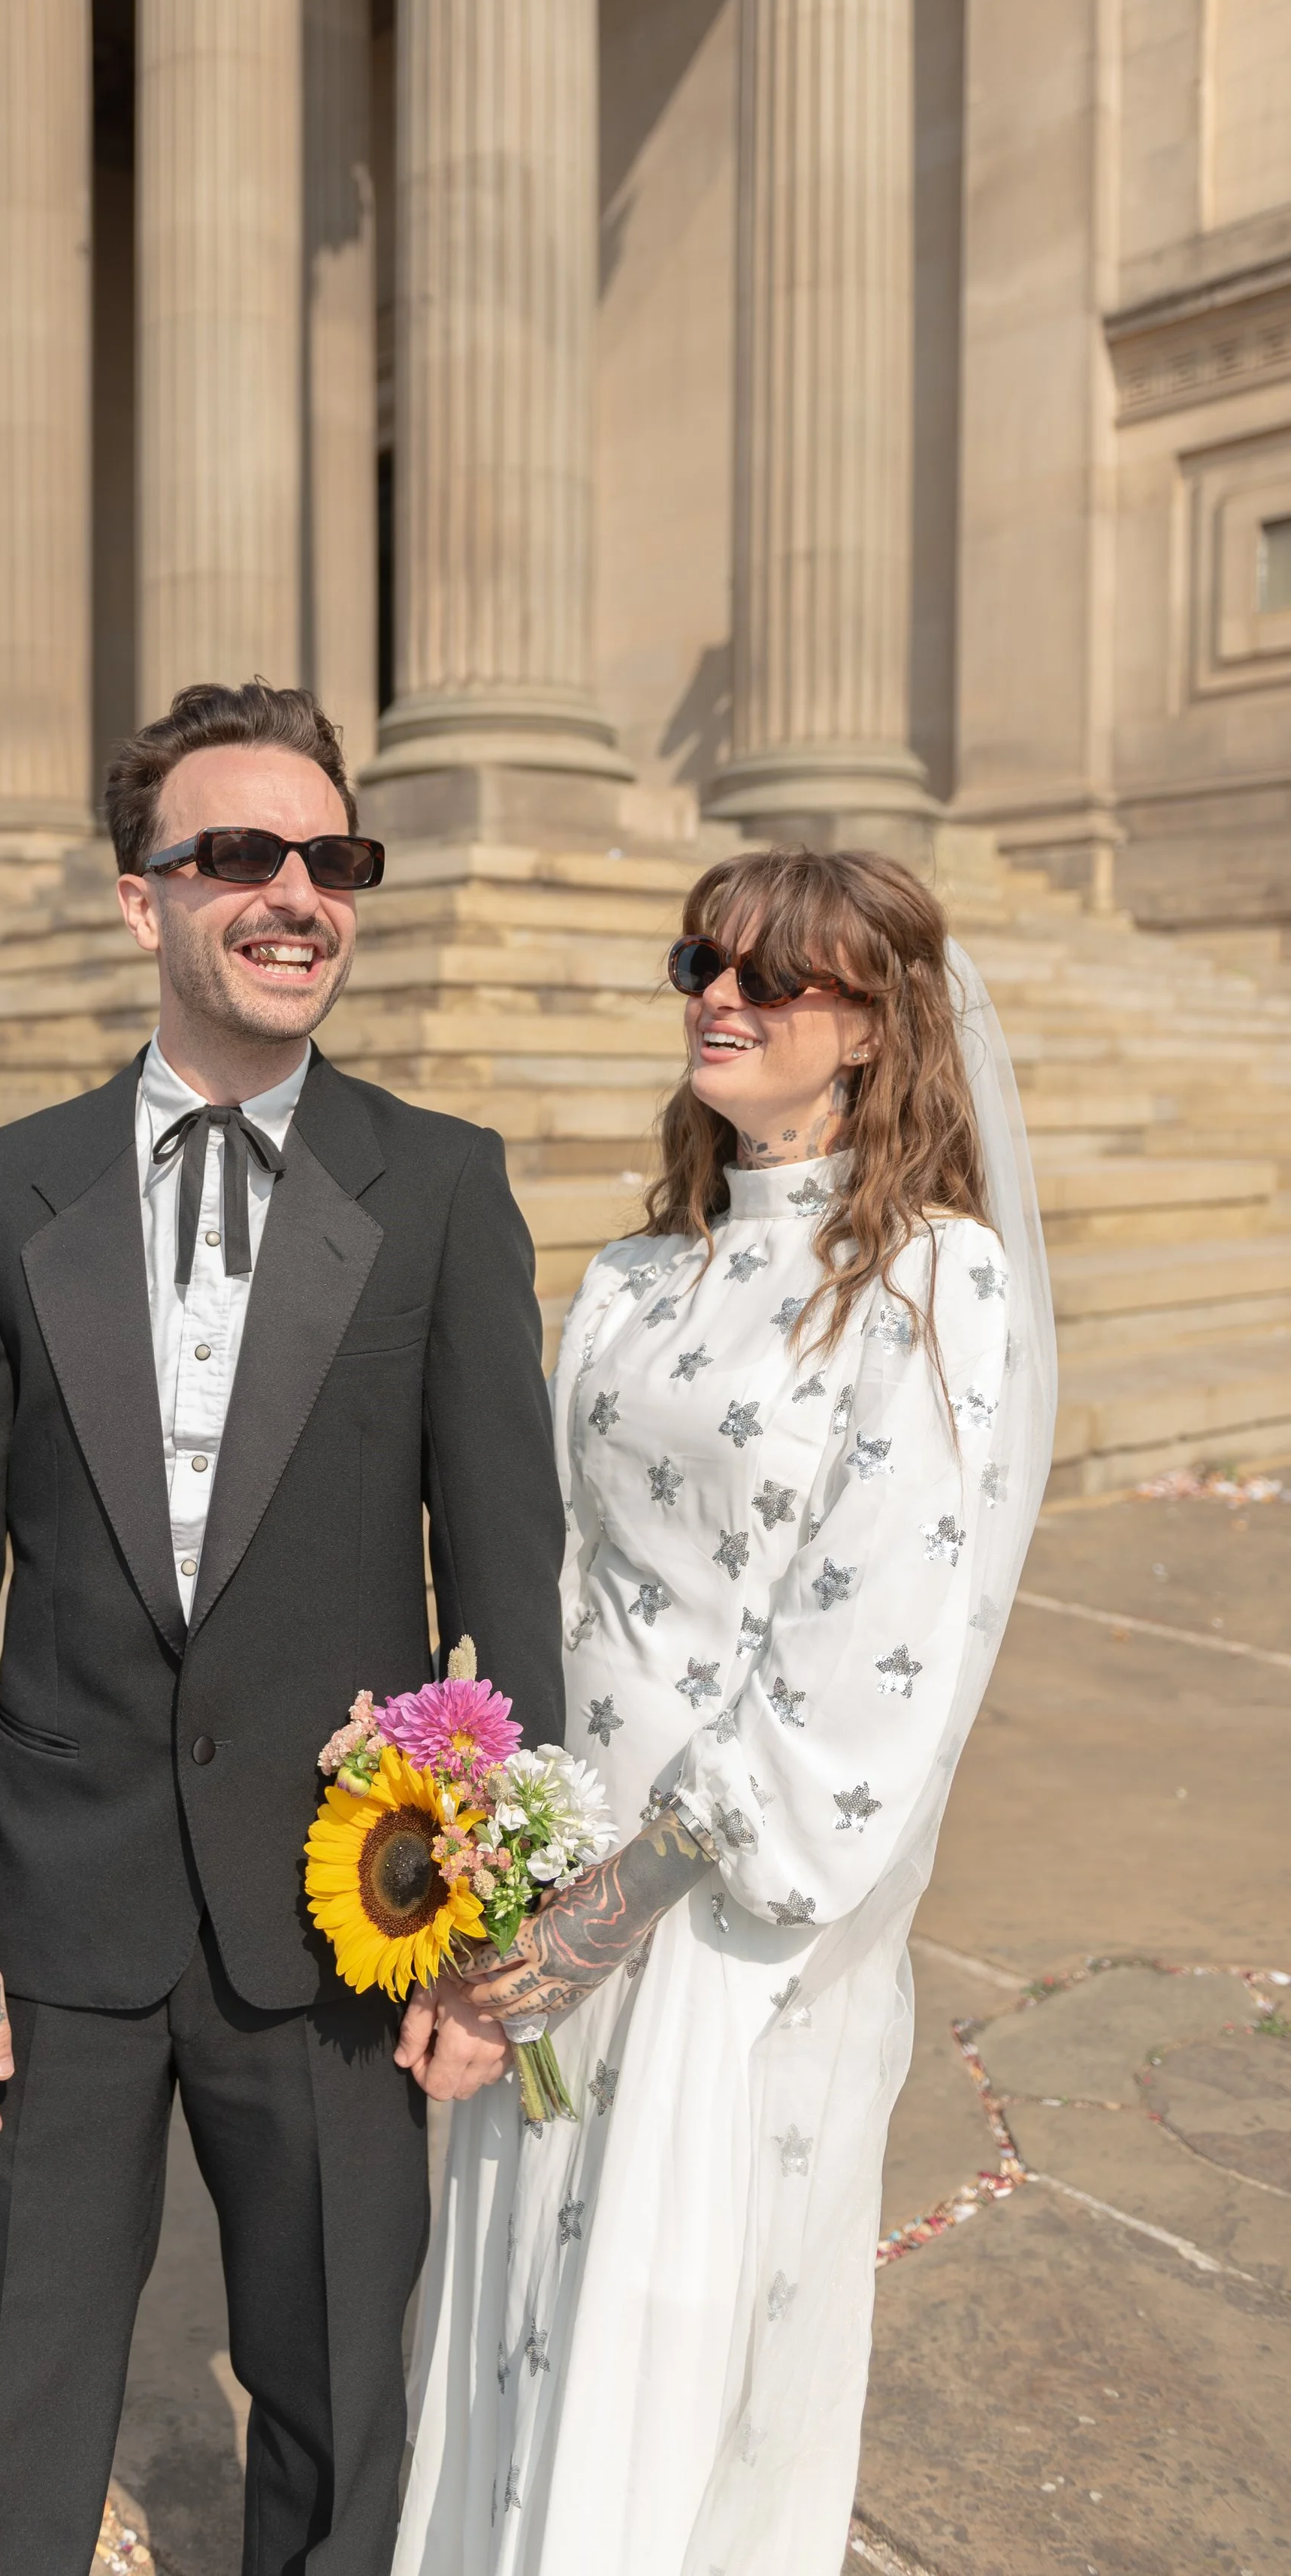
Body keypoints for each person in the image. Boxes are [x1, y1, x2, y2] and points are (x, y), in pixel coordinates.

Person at [0, 678, 567, 2576]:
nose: (294, 891)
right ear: (138, 898)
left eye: (330, 857)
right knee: (11, 2425)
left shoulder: (439, 1188)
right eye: (236, 852)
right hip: (52, 1926)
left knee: (342, 2424)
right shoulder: (4, 1193)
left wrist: (487, 1937)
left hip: (342, 1925)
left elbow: (504, 1585)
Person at [394, 846, 1057, 2576]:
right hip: (557, 1859)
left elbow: (873, 1652)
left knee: (665, 2334)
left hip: (717, 1912)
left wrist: (611, 1913)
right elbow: (544, 1581)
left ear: (868, 1030)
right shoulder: (629, 1273)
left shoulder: (930, 1282)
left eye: (778, 976)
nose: (720, 996)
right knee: (514, 2292)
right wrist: (486, 1850)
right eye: (702, 958)